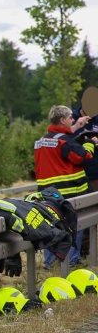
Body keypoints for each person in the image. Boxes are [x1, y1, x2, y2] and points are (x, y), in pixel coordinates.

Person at [33, 105, 93, 268]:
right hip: (68, 191)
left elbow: (60, 141)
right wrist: (90, 143)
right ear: (62, 120)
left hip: (47, 192)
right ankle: (72, 260)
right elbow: (82, 156)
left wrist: (77, 127)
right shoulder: (63, 142)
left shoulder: (41, 141)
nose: (72, 119)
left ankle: (49, 262)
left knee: (51, 225)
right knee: (75, 225)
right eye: (70, 118)